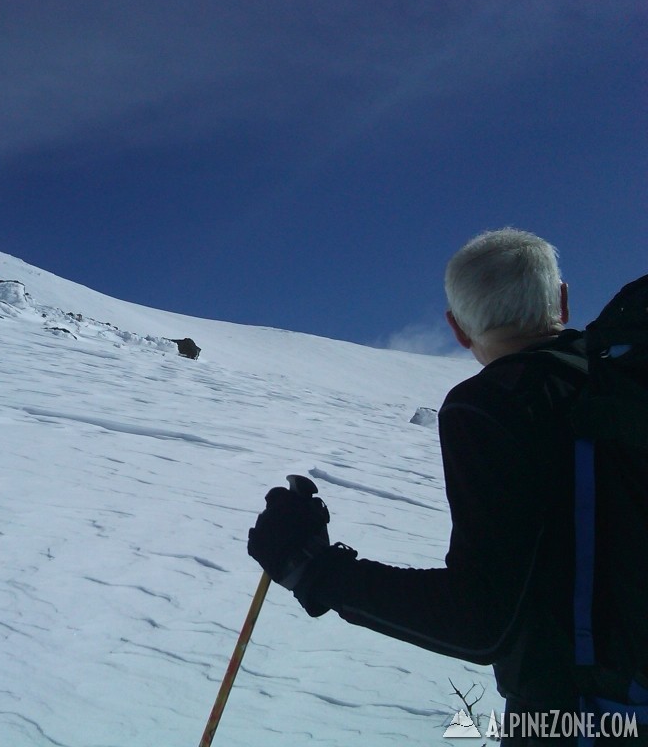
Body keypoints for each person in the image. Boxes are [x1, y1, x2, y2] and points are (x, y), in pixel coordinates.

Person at [248, 228, 607, 745]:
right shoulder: (621, 380)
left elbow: (480, 620)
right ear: (563, 301)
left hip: (576, 717)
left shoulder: (490, 404)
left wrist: (313, 570)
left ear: (457, 328)